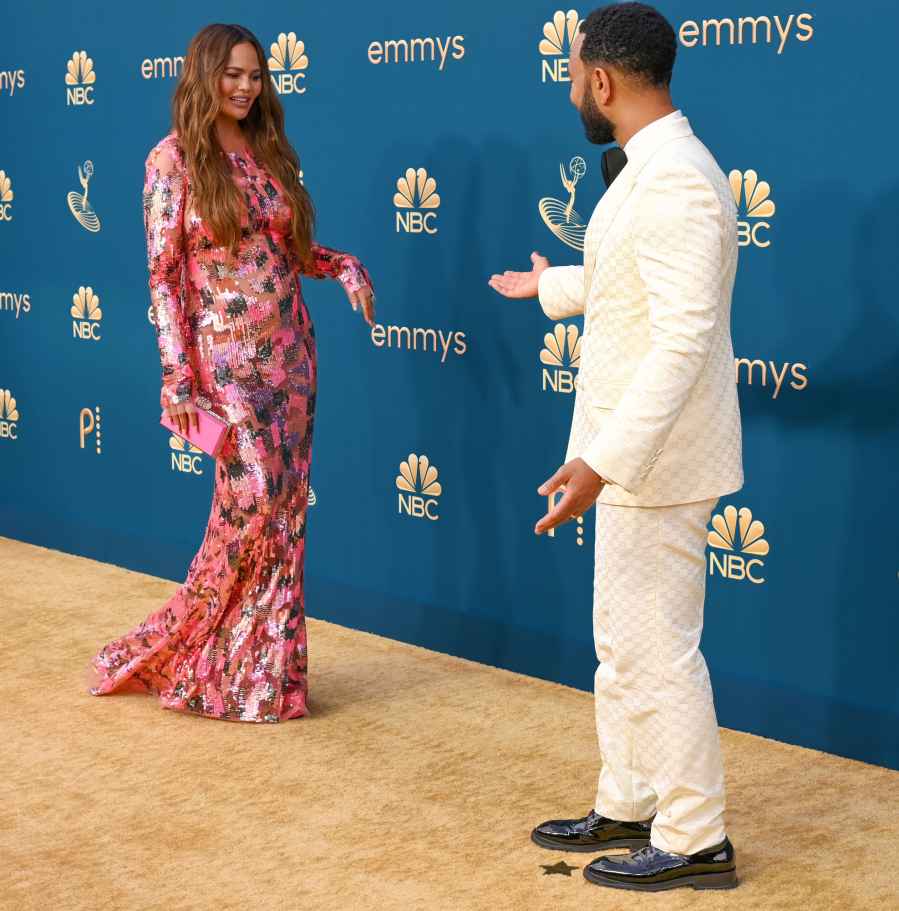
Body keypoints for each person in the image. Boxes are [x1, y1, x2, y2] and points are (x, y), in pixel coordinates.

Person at [489, 2, 743, 892]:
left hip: (657, 461)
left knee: (656, 646)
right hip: (634, 457)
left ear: (599, 79)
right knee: (620, 639)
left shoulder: (674, 176)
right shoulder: (656, 165)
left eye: (571, 74)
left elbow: (681, 339)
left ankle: (694, 833)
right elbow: (626, 277)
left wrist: (601, 460)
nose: (570, 90)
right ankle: (630, 798)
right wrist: (550, 283)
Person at [87, 23, 374, 723]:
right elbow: (162, 276)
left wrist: (342, 266)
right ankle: (186, 648)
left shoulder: (270, 151)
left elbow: (291, 248)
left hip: (291, 359)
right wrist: (178, 378)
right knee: (249, 510)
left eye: (256, 75)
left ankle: (265, 676)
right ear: (204, 75)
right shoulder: (172, 160)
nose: (246, 87)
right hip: (225, 367)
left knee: (283, 514)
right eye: (233, 74)